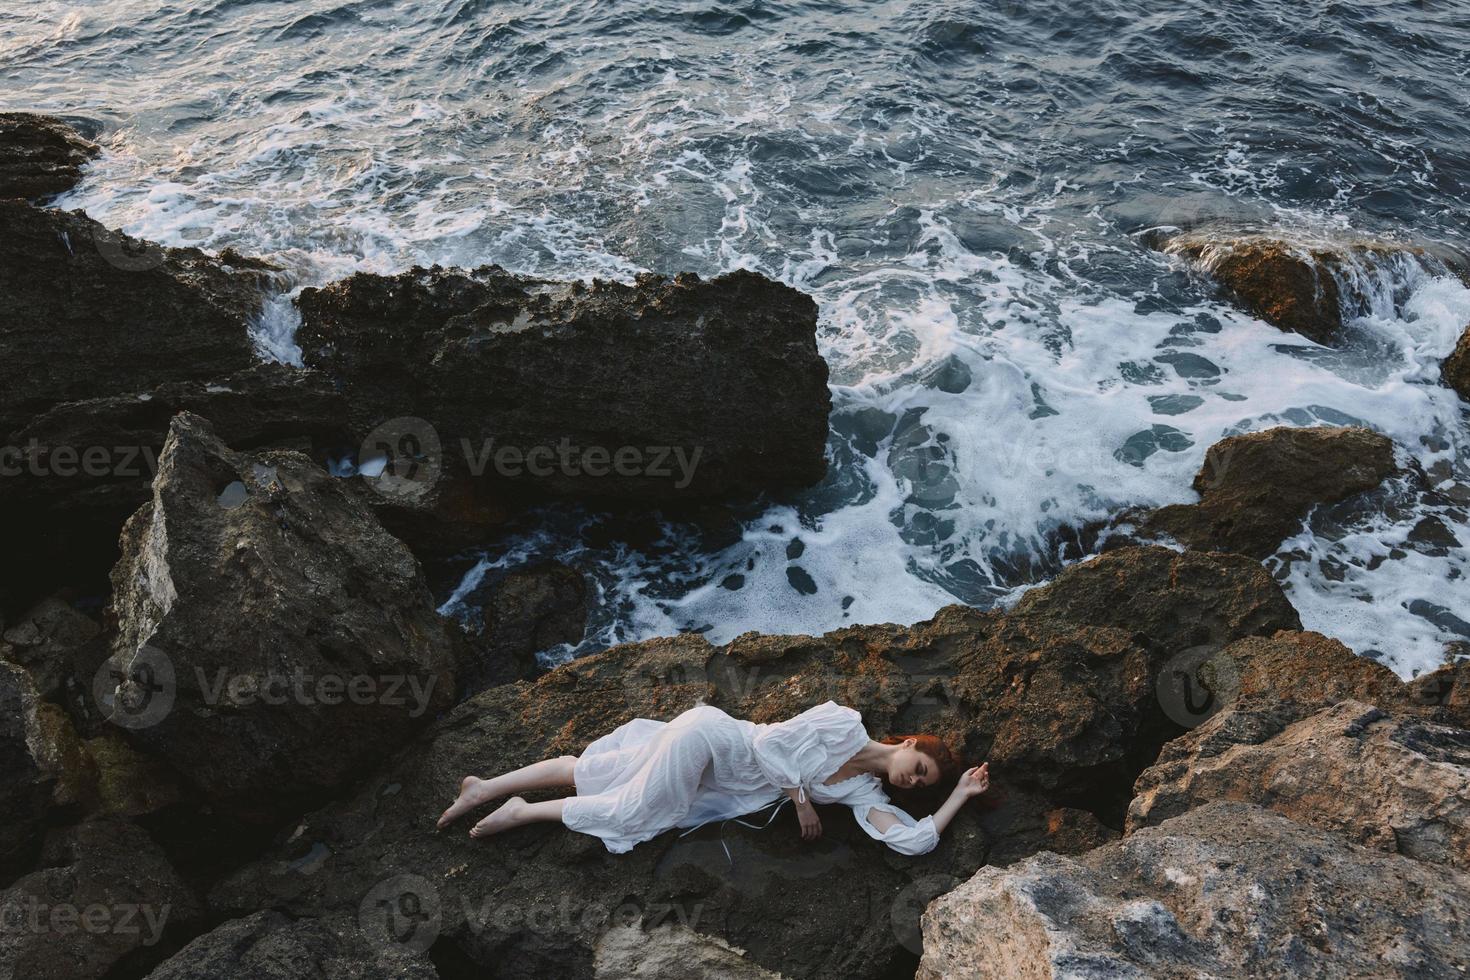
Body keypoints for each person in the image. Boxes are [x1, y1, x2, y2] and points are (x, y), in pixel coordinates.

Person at [436, 700, 990, 855]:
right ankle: (521, 810)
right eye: (920, 768)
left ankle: (484, 787)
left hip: (721, 774)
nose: (914, 781)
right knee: (637, 810)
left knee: (601, 771)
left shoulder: (862, 792)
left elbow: (912, 841)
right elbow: (770, 742)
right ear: (909, 744)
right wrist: (800, 799)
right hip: (716, 738)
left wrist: (958, 795)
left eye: (921, 785)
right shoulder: (844, 721)